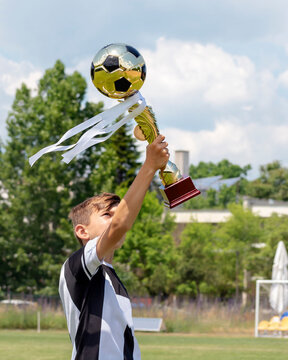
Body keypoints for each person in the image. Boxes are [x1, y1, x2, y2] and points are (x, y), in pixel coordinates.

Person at [59, 134, 169, 360]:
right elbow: (120, 225)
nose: (116, 218)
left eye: (117, 213)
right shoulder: (77, 269)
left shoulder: (112, 278)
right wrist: (149, 166)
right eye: (107, 214)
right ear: (82, 231)